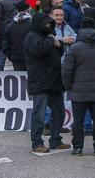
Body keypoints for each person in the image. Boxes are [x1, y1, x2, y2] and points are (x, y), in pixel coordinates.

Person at [62, 17, 95, 156]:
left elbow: (66, 70)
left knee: (78, 120)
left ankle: (77, 147)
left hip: (78, 91)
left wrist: (69, 87)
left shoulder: (74, 48)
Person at [24, 13, 69, 153]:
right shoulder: (31, 37)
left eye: (51, 24)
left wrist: (59, 44)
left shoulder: (48, 37)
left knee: (60, 112)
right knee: (39, 114)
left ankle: (55, 139)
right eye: (47, 24)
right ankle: (36, 143)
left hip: (54, 81)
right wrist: (51, 40)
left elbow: (58, 52)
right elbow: (40, 50)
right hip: (40, 81)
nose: (50, 26)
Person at [0, 0, 23, 70]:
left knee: (2, 56)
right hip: (19, 34)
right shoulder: (22, 1)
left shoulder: (1, 2)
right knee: (19, 59)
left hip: (4, 34)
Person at [3, 0, 32, 71]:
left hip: (17, 59)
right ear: (28, 9)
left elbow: (5, 45)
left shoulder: (10, 26)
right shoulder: (34, 24)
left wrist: (11, 57)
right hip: (32, 59)